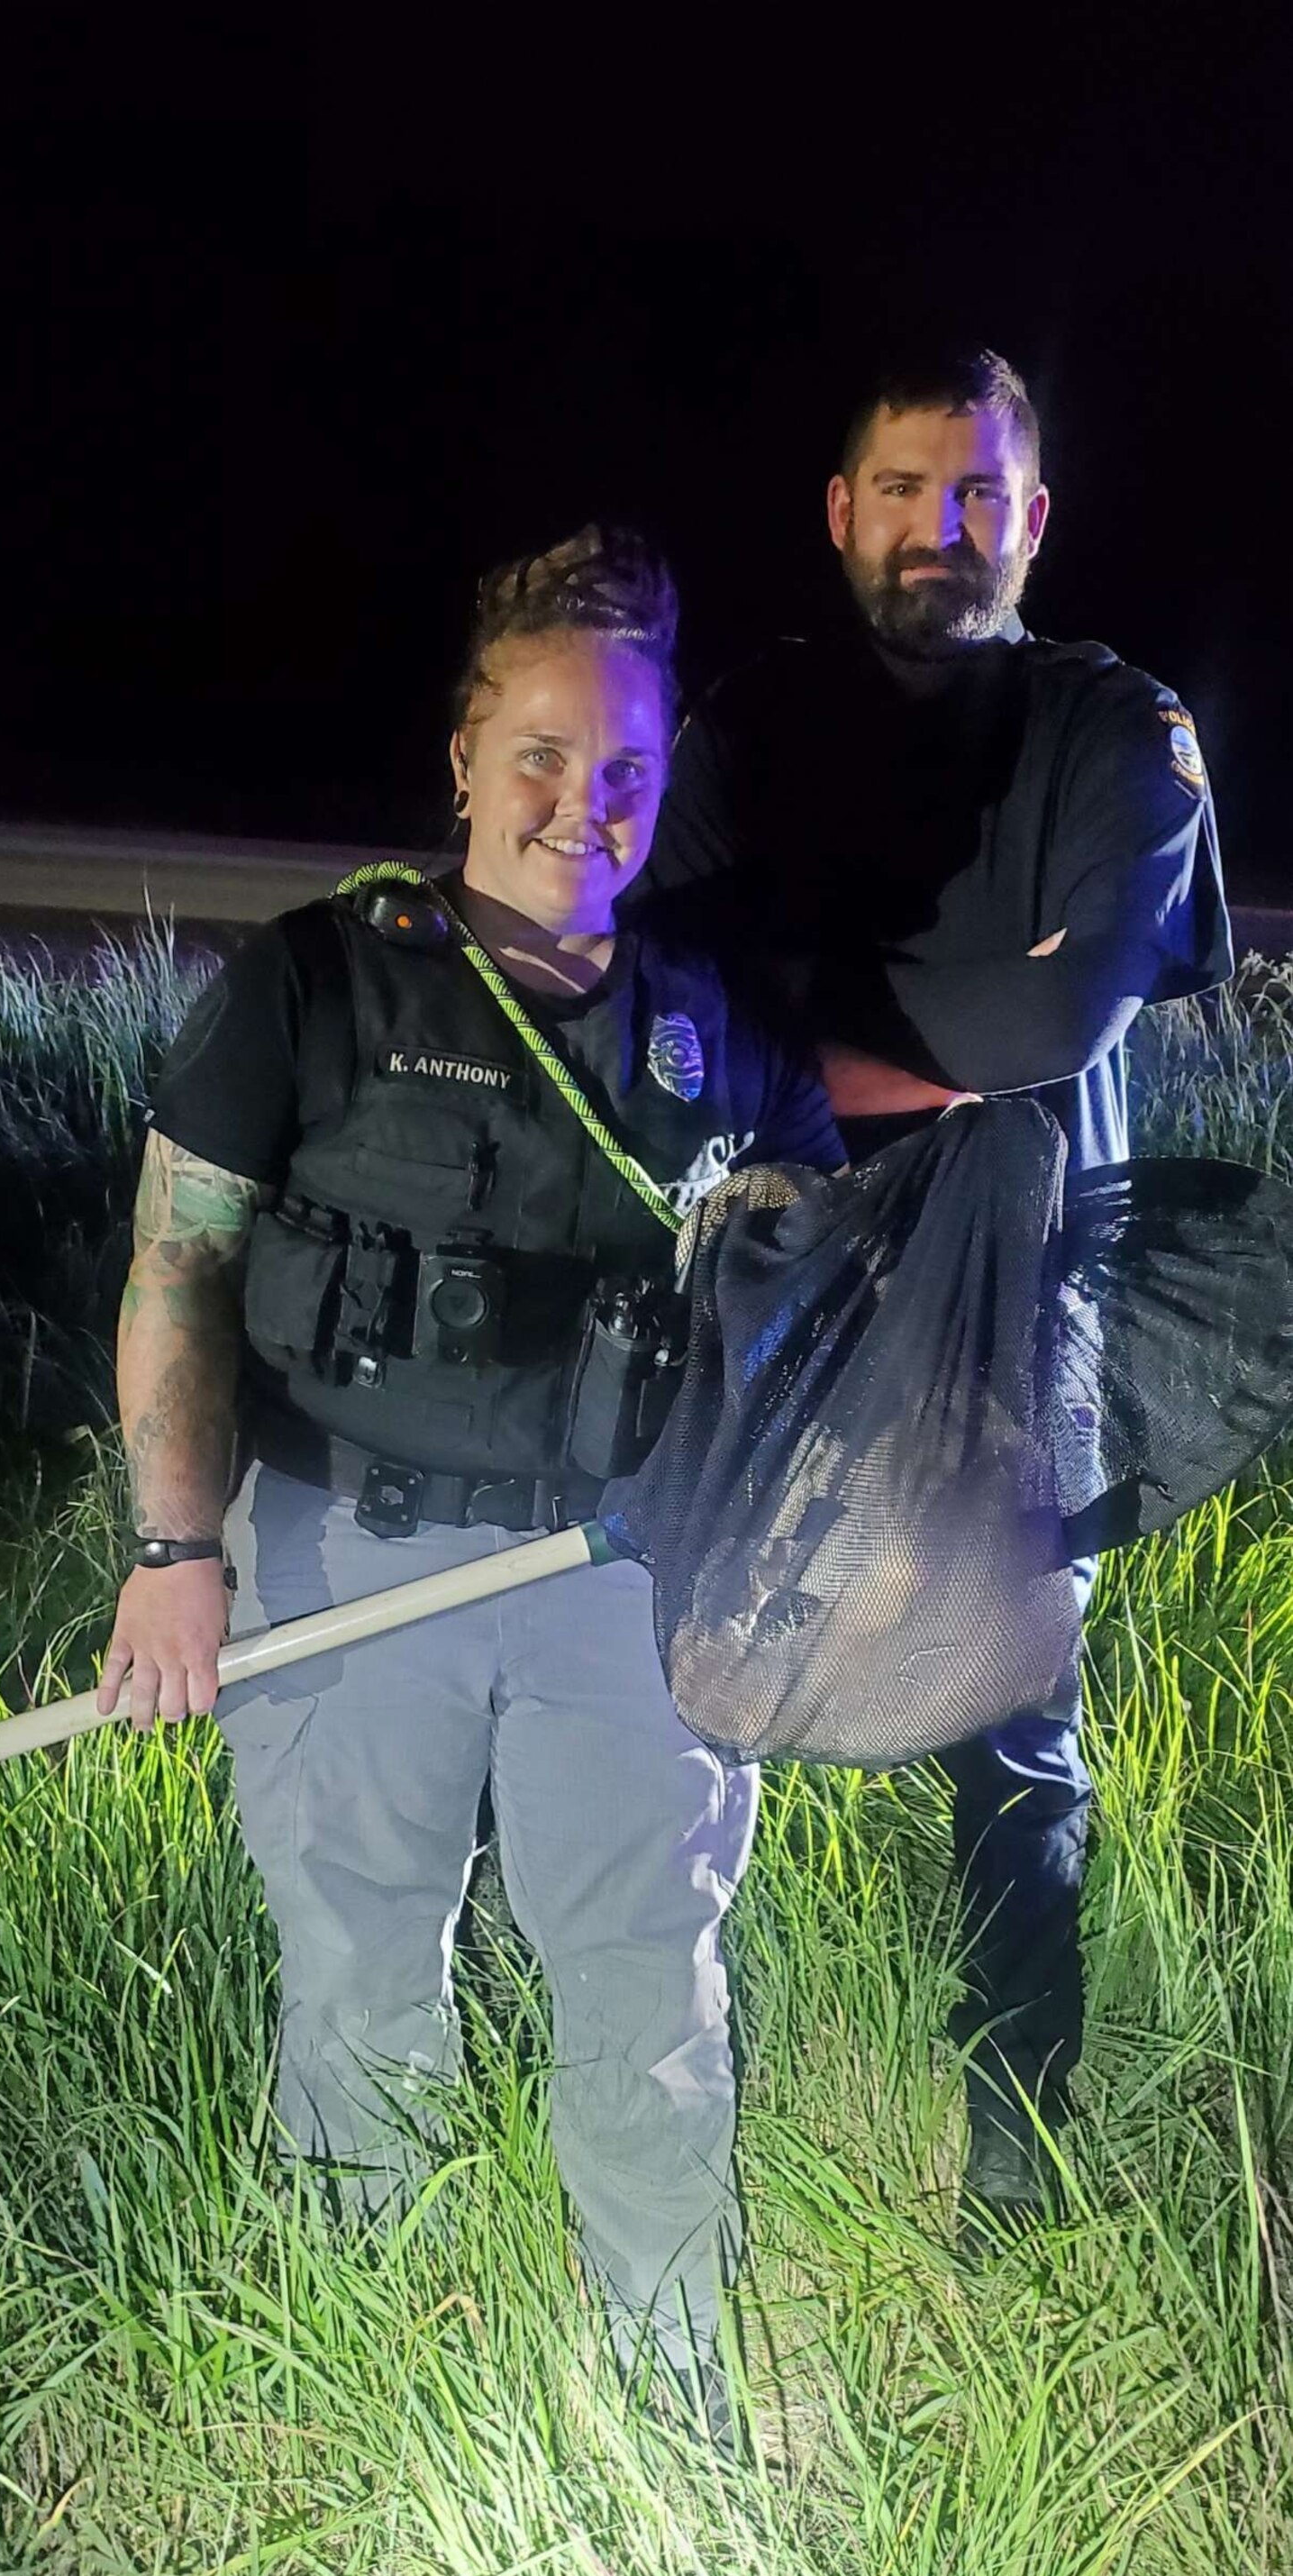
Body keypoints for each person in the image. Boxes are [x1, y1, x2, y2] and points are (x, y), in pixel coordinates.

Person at [96, 527, 844, 2415]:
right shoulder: (314, 981)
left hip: (620, 1588)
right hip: (351, 1563)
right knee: (355, 1979)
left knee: (645, 1989)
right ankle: (371, 2392)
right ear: (462, 757)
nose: (581, 806)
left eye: (627, 773)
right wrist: (175, 1547)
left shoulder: (727, 1025)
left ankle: (676, 2396)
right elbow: (178, 1266)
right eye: (541, 754)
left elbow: (827, 1309)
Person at [640, 347, 1232, 2229]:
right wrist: (921, 1051)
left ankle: (1017, 2158)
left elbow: (1069, 1010)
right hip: (785, 1294)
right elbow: (679, 1021)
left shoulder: (1114, 726)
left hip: (1031, 1298)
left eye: (977, 492)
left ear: (1031, 517)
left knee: (1015, 1729)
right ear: (840, 511)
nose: (939, 528)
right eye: (902, 489)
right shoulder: (744, 721)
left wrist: (812, 1033)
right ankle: (635, 2116)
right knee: (667, 1672)